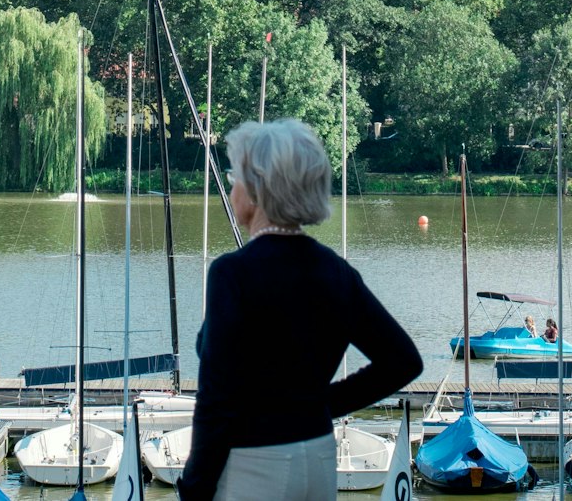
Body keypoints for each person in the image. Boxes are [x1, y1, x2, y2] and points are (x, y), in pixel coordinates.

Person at [178, 118, 422, 501]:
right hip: (318, 457)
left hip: (252, 464)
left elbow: (216, 399)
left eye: (234, 175)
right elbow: (403, 361)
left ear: (258, 188)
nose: (231, 185)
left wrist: (193, 487)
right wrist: (320, 404)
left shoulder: (233, 272)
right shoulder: (335, 271)